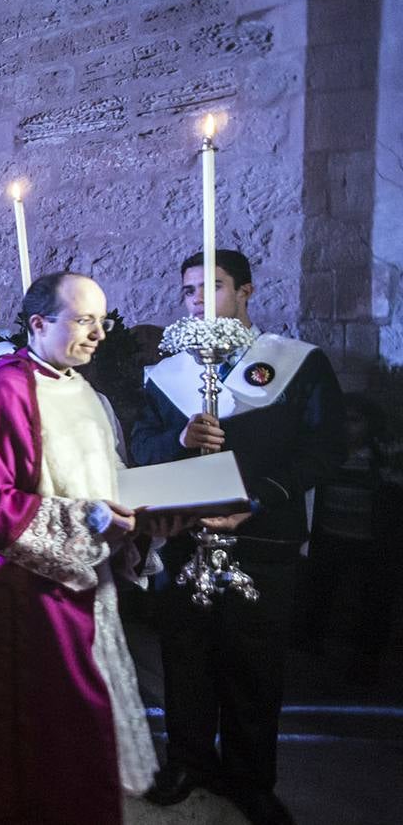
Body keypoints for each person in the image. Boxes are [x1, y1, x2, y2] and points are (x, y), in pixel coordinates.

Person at [0, 271, 159, 824]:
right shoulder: (6, 389)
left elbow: (109, 476)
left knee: (68, 719)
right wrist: (92, 519)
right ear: (37, 324)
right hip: (25, 590)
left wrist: (143, 519)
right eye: (83, 320)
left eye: (101, 320)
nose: (98, 333)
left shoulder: (82, 389)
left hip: (80, 582)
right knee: (54, 719)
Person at [131, 249, 345, 824]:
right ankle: (190, 760)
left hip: (264, 536)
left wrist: (260, 500)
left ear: (246, 292)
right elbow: (140, 442)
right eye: (190, 289)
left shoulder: (297, 363)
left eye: (214, 286)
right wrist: (177, 439)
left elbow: (326, 450)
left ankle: (251, 777)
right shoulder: (167, 374)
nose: (199, 298)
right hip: (185, 536)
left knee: (255, 662)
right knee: (185, 655)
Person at [301, 393, 397, 684]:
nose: (348, 427)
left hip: (369, 542)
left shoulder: (380, 458)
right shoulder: (330, 454)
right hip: (331, 535)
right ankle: (310, 650)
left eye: (355, 421)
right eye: (344, 419)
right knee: (321, 594)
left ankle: (364, 662)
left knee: (372, 603)